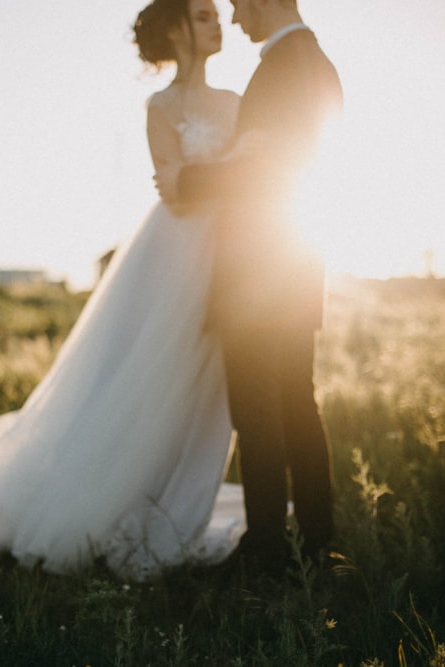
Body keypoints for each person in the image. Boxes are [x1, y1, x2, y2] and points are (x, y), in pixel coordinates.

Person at [0, 0, 246, 581]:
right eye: (205, 14)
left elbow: (222, 181)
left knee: (207, 386)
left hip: (231, 256)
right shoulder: (159, 105)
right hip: (173, 259)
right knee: (146, 376)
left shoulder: (238, 103)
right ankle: (110, 500)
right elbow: (174, 193)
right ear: (178, 30)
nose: (218, 23)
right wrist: (210, 185)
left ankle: (177, 500)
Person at [160, 0, 342, 562]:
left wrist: (186, 178)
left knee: (260, 414)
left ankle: (266, 549)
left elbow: (266, 169)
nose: (236, 19)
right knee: (297, 408)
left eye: (239, 5)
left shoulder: (285, 64)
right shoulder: (315, 62)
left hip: (258, 271)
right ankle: (318, 542)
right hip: (292, 263)